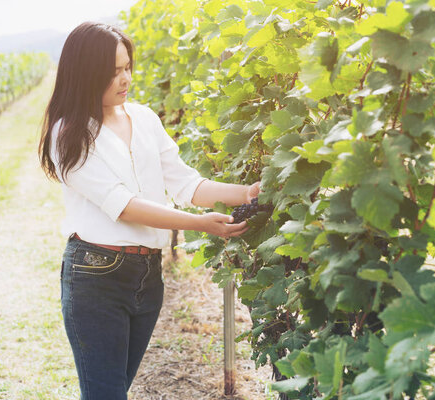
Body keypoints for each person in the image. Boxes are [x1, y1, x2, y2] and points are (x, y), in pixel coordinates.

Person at [38, 22, 259, 400]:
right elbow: (123, 206)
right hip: (96, 275)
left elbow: (187, 185)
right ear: (85, 74)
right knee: (106, 394)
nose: (124, 79)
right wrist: (199, 225)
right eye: (112, 72)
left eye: (127, 68)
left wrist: (248, 192)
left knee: (112, 390)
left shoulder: (143, 119)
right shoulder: (68, 134)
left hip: (147, 276)